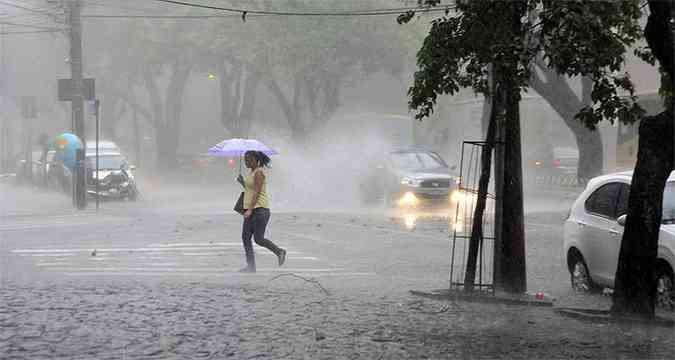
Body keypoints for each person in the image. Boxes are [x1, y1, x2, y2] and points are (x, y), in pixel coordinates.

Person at [236, 150, 286, 273]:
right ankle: (251, 266)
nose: (247, 162)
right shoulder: (251, 172)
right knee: (246, 237)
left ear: (256, 160)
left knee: (258, 239)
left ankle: (279, 251)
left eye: (250, 160)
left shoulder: (259, 173)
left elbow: (257, 193)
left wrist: (250, 210)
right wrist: (242, 182)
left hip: (259, 210)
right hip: (251, 210)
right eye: (246, 160)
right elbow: (250, 189)